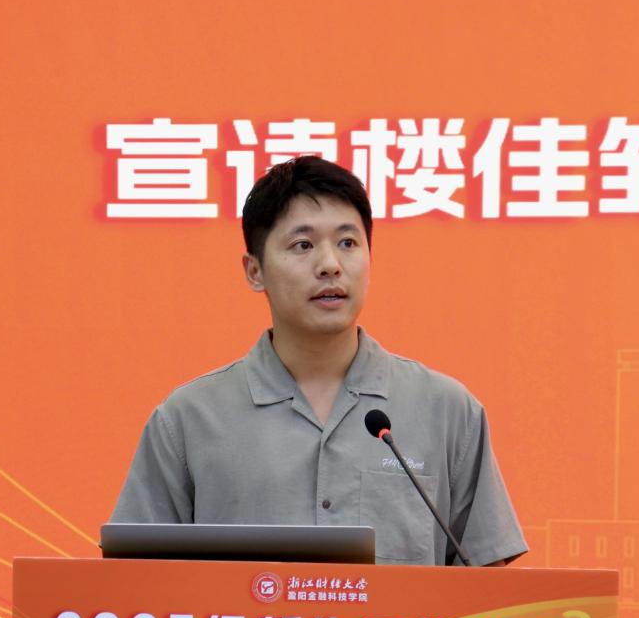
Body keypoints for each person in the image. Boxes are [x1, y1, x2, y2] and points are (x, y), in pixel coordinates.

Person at [110, 156, 526, 566]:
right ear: (254, 271)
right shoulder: (188, 420)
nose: (330, 265)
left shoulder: (447, 411)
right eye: (303, 245)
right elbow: (134, 584)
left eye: (348, 243)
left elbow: (489, 589)